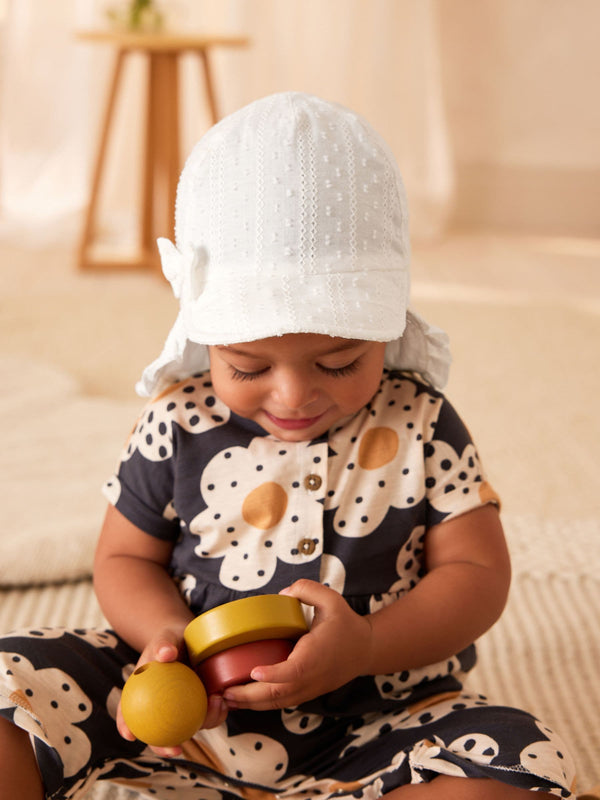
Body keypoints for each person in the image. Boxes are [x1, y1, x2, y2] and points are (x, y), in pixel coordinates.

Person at [0, 92, 576, 800]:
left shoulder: (421, 421)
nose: (293, 396)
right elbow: (122, 557)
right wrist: (170, 644)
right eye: (247, 366)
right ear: (206, 340)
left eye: (339, 363)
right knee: (11, 680)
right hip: (180, 729)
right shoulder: (177, 420)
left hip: (379, 721)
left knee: (518, 757)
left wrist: (367, 646)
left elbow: (478, 573)